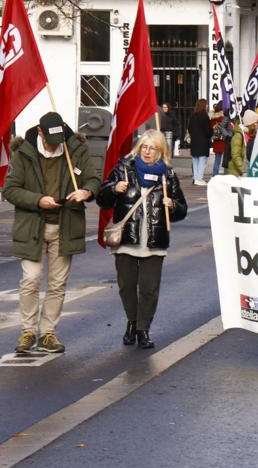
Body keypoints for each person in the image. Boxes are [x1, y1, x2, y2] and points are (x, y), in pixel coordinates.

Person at [5, 112, 100, 354]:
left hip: (65, 225)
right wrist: (38, 200)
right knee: (31, 280)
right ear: (40, 132)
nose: (55, 144)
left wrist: (86, 192)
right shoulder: (24, 153)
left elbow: (93, 179)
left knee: (57, 283)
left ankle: (48, 333)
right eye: (50, 140)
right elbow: (11, 190)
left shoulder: (74, 149)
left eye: (59, 139)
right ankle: (28, 331)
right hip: (32, 226)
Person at [97, 130, 188, 350]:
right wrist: (113, 189)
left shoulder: (168, 174)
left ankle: (143, 330)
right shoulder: (124, 169)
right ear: (139, 148)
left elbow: (182, 210)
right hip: (127, 238)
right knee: (127, 287)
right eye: (144, 147)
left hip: (155, 241)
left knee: (149, 289)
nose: (147, 152)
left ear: (160, 151)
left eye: (153, 148)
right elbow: (102, 199)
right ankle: (132, 321)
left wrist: (172, 205)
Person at [224, 110, 258, 178]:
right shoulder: (239, 135)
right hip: (237, 173)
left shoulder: (252, 135)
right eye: (256, 122)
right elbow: (236, 156)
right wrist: (243, 170)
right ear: (251, 124)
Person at [187, 99, 212, 185]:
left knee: (195, 161)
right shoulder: (204, 116)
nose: (207, 106)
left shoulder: (193, 115)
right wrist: (210, 133)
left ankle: (195, 177)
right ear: (204, 105)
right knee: (202, 161)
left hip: (194, 141)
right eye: (206, 104)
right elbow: (208, 130)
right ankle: (199, 178)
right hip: (203, 142)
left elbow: (189, 128)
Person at [210, 111, 233, 176]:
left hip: (216, 143)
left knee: (217, 161)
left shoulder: (213, 120)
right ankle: (227, 175)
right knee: (227, 160)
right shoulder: (225, 119)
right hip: (225, 142)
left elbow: (210, 129)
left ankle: (215, 175)